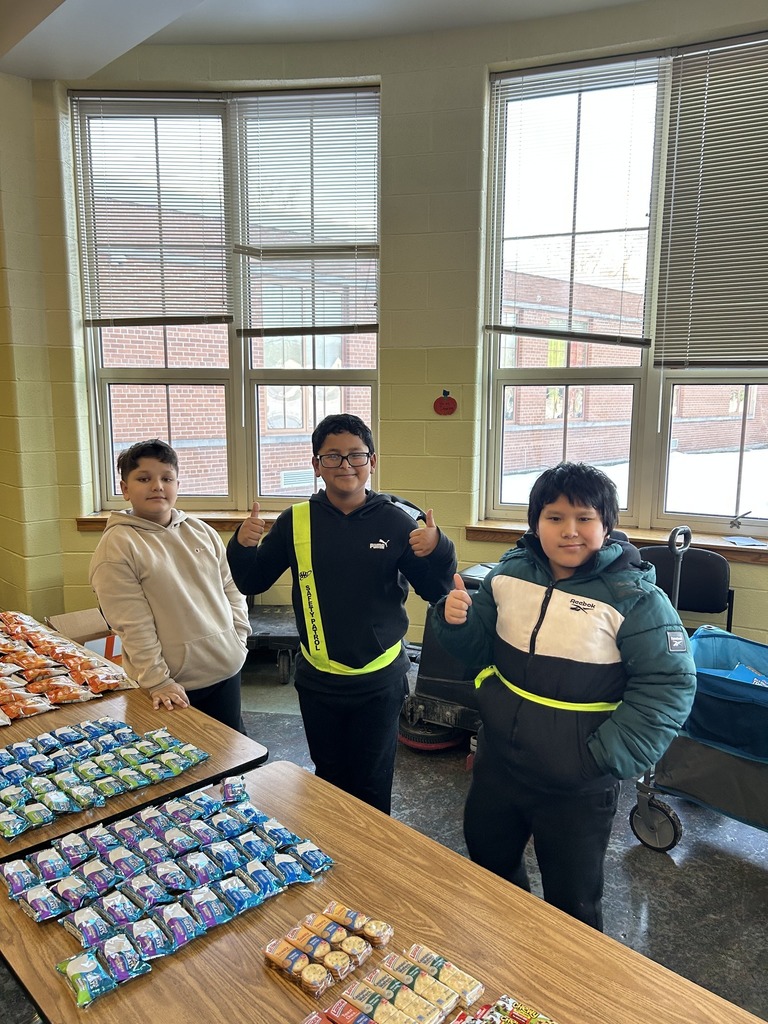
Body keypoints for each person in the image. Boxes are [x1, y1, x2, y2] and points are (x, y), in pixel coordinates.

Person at [430, 461, 697, 930]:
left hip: (577, 783)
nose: (569, 530)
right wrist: (456, 620)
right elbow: (478, 648)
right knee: (489, 868)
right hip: (499, 764)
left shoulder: (634, 598)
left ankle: (570, 975)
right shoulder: (508, 575)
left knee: (572, 904)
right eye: (554, 517)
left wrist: (600, 758)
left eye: (584, 518)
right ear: (536, 523)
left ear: (606, 525)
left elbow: (668, 685)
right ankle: (510, 949)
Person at [226, 413, 457, 814]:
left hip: (379, 680)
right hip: (318, 680)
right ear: (316, 465)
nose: (345, 465)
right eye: (332, 456)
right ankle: (334, 848)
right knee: (329, 779)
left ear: (372, 461)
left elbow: (436, 590)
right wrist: (242, 546)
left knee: (373, 780)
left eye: (356, 455)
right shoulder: (296, 520)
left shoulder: (397, 521)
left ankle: (370, 851)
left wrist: (440, 548)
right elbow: (252, 580)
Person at [89, 439, 251, 733]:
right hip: (172, 686)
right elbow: (133, 625)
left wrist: (238, 638)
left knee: (235, 752)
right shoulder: (118, 547)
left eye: (167, 478)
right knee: (187, 758)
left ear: (177, 484)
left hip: (226, 667)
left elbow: (231, 587)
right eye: (144, 479)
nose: (157, 486)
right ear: (125, 489)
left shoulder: (201, 531)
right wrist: (157, 680)